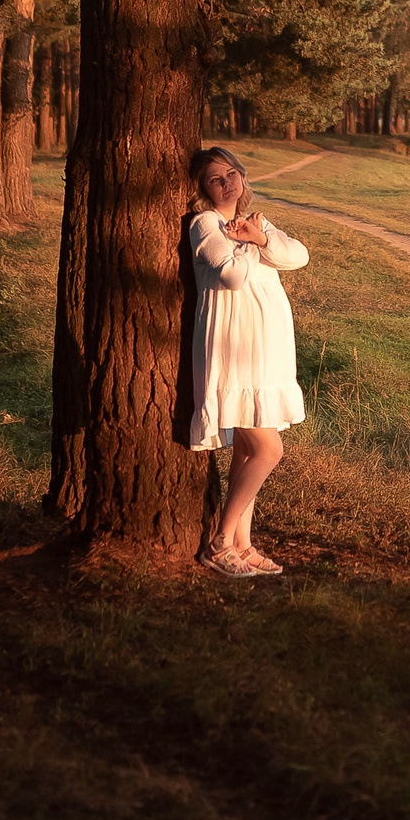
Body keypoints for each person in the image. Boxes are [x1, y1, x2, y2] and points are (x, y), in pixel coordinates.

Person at [178, 145, 309, 578]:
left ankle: (243, 544)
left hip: (266, 351)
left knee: (248, 453)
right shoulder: (205, 224)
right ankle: (219, 542)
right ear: (204, 189)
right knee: (269, 449)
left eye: (232, 173)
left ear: (242, 176)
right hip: (231, 349)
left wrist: (259, 236)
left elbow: (298, 256)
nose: (227, 183)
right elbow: (231, 275)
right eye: (216, 178)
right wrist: (250, 244)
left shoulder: (255, 223)